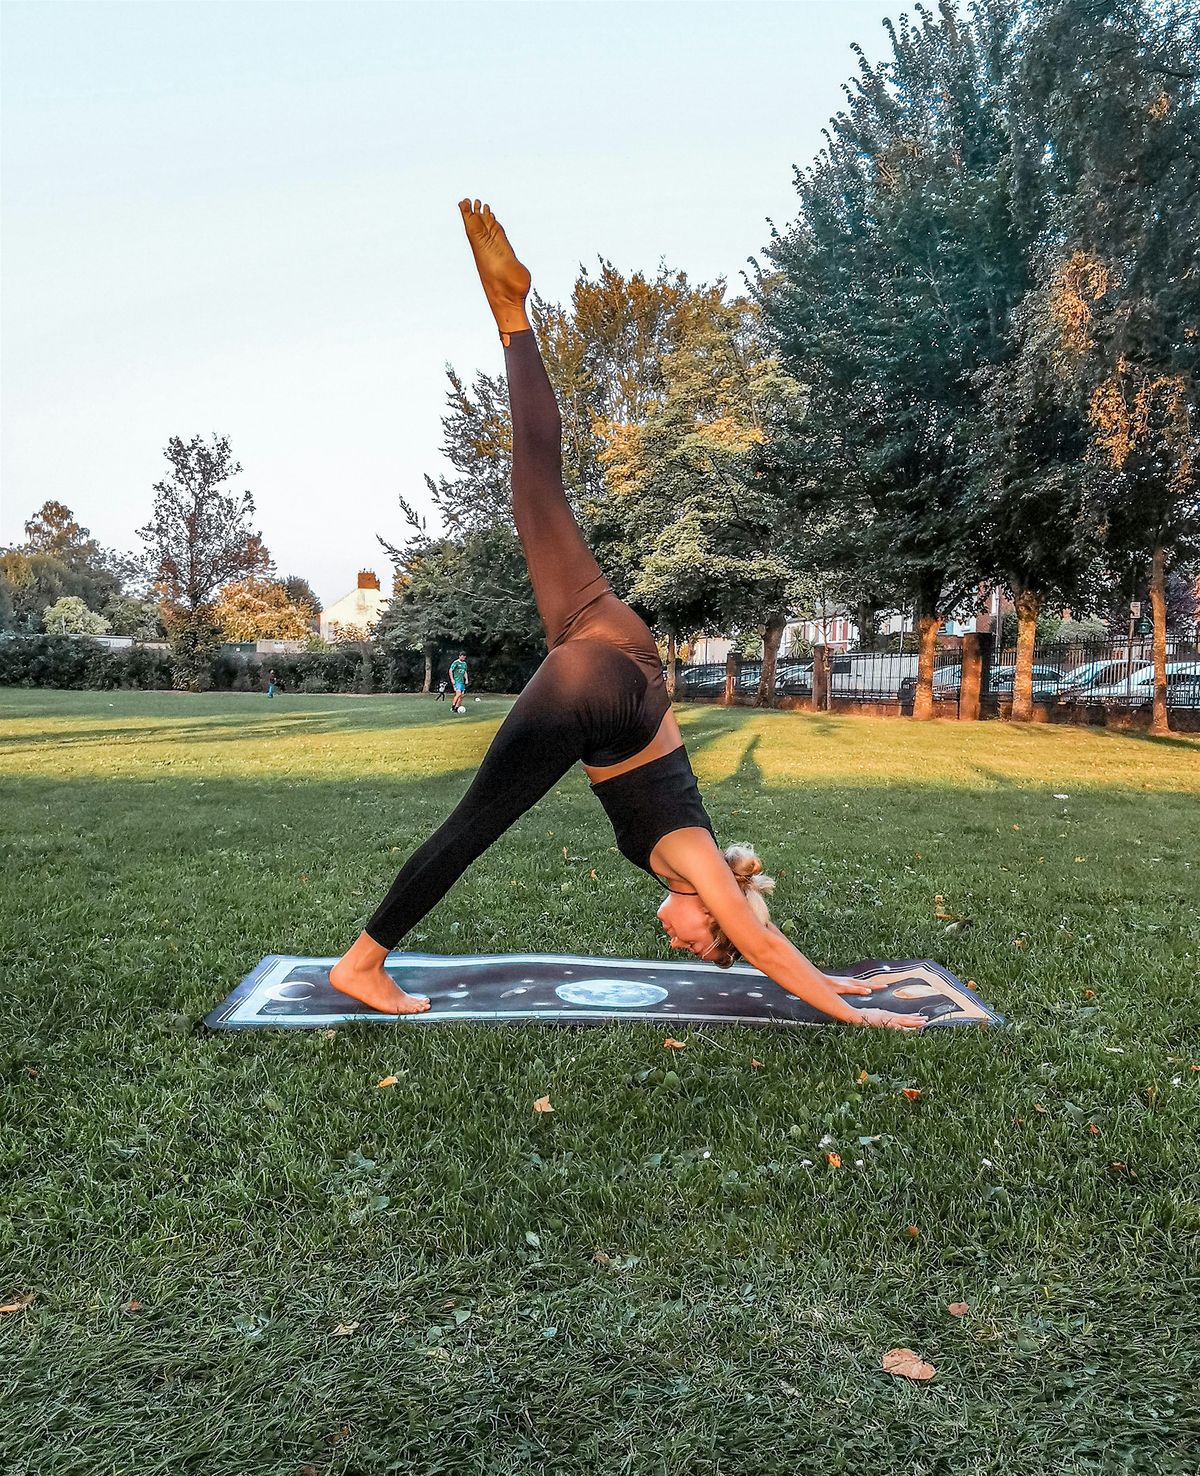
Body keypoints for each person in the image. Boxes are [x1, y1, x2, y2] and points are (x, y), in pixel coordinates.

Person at [329, 200, 920, 1031]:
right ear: (716, 913)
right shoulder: (696, 868)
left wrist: (830, 975)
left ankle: (511, 316)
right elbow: (764, 946)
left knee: (537, 491)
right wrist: (858, 1014)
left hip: (616, 646)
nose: (688, 946)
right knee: (475, 824)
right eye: (706, 946)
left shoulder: (708, 863)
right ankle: (361, 962)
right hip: (599, 687)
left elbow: (763, 933)